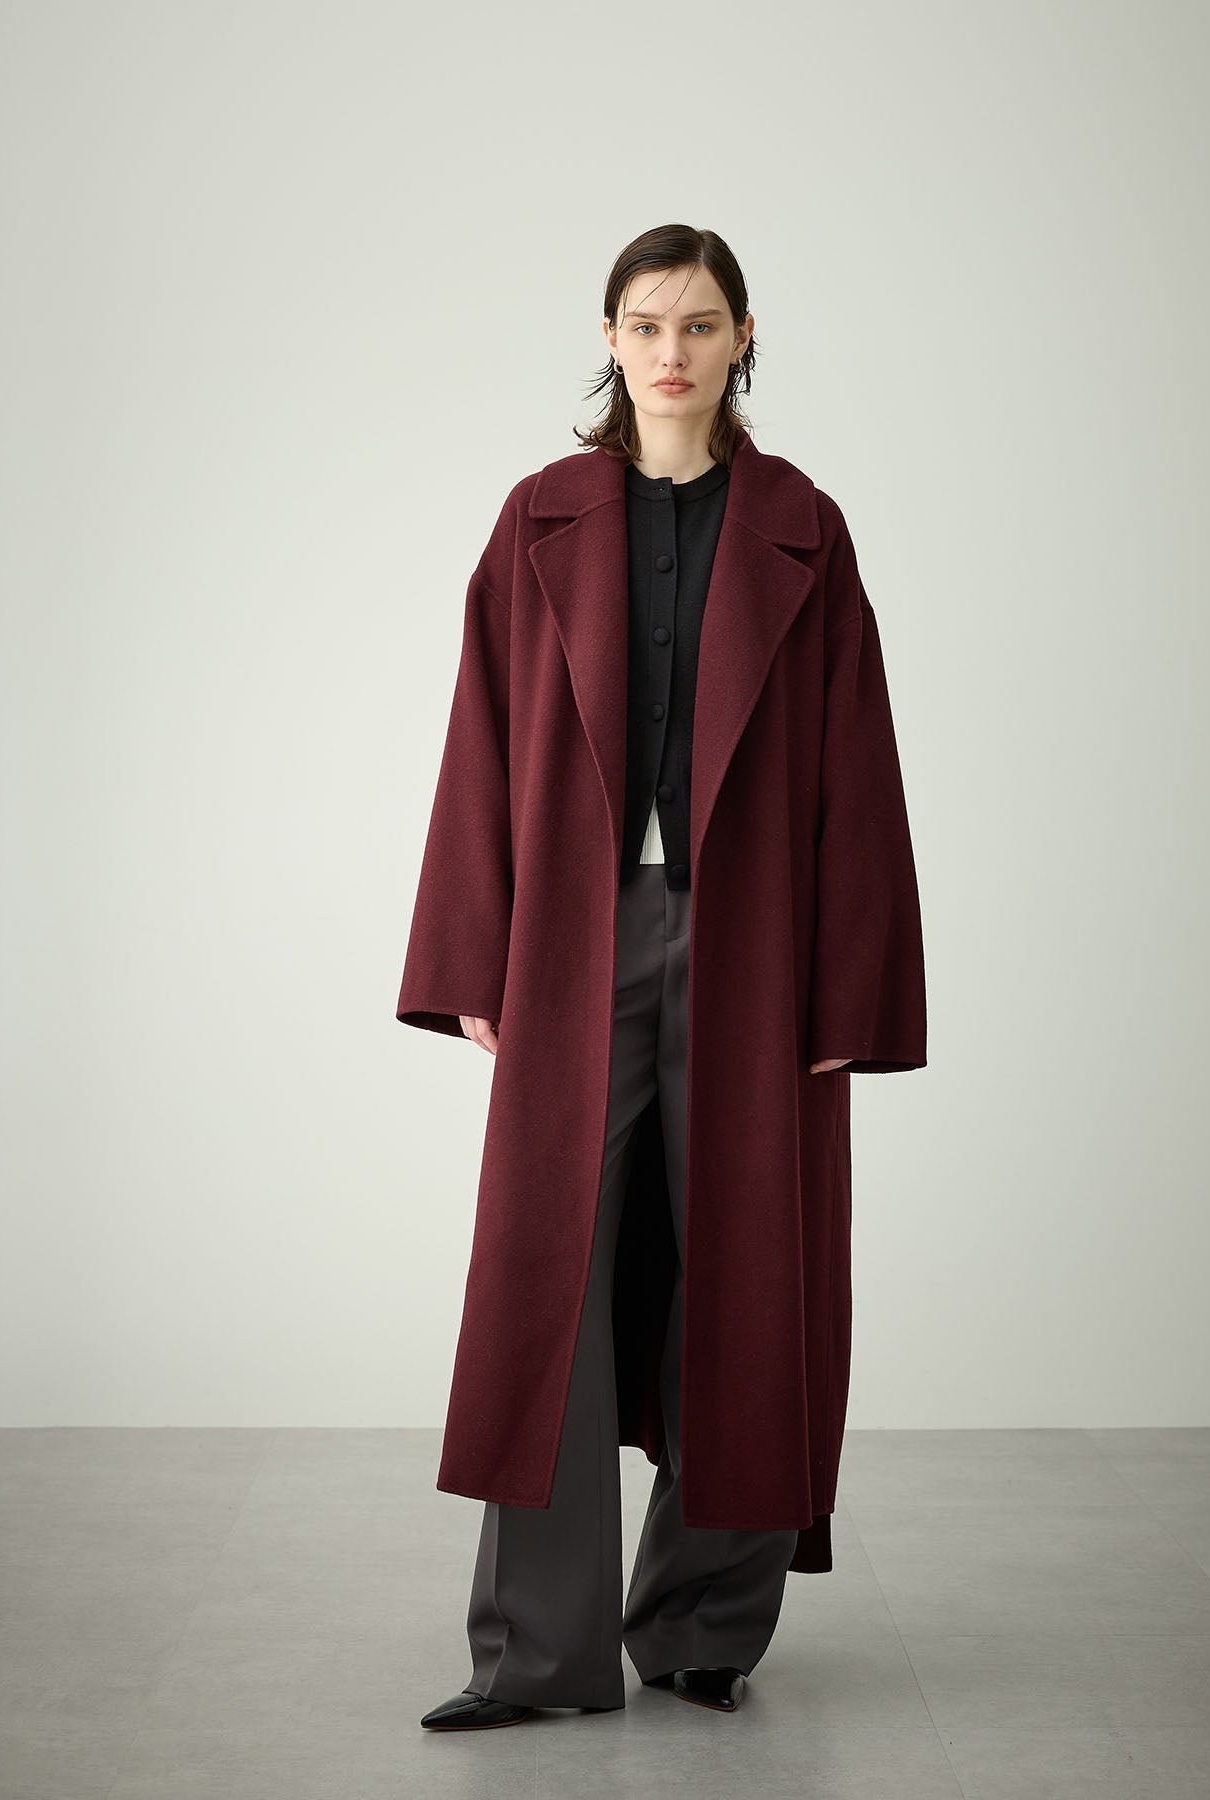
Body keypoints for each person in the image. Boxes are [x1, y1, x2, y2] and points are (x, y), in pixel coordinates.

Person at [397, 223, 927, 1731]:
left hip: (756, 947)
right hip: (578, 939)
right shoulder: (541, 518)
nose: (672, 351)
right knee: (545, 1276)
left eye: (699, 324)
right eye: (646, 324)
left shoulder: (803, 527)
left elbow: (857, 768)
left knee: (749, 1269)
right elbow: (481, 739)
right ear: (611, 340)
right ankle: (537, 1654)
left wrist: (848, 992)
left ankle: (701, 1627)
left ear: (743, 338)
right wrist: (472, 955)